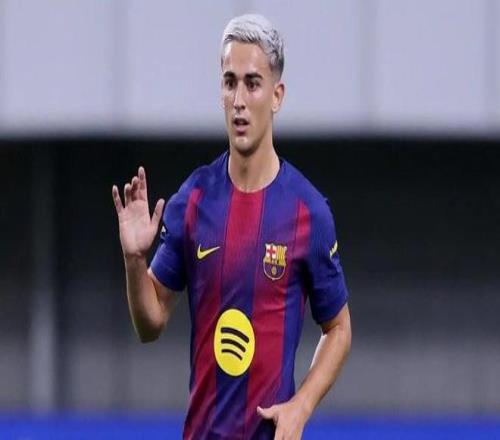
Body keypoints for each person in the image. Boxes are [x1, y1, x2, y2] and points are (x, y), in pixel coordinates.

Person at [112, 13, 351, 440]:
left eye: (252, 84)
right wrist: (134, 260)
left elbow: (339, 330)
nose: (239, 99)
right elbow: (150, 324)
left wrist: (301, 406)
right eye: (229, 82)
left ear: (276, 95)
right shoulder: (193, 199)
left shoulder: (308, 212)